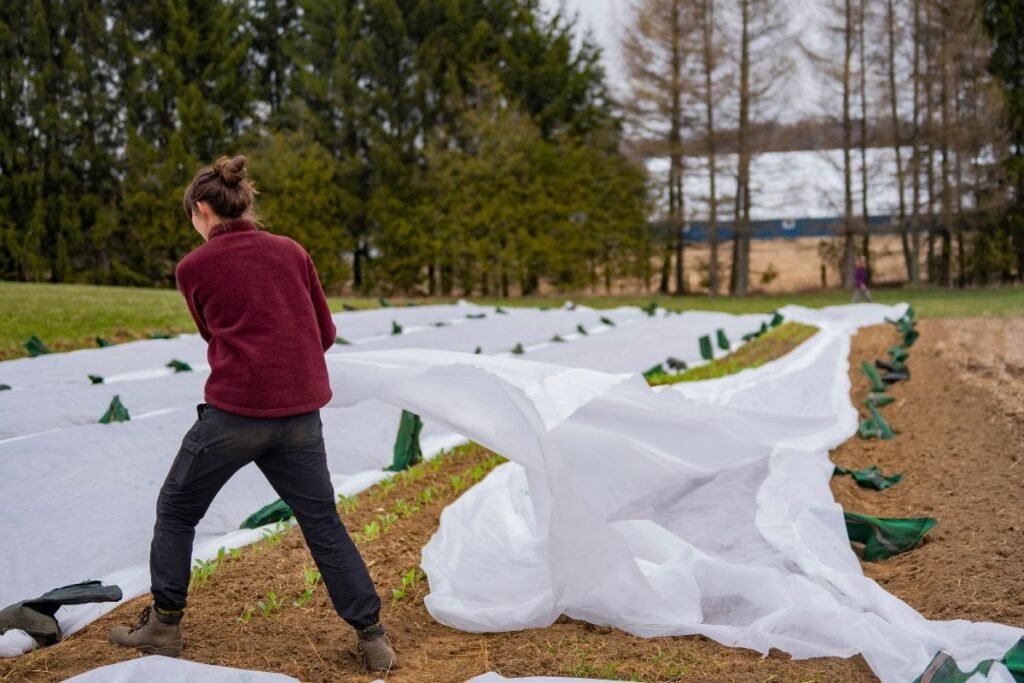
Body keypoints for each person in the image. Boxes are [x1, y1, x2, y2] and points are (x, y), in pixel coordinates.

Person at [108, 155, 397, 672]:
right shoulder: (291, 252)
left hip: (234, 418)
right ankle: (372, 637)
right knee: (323, 524)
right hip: (301, 420)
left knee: (176, 510)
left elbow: (210, 332)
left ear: (201, 209)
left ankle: (165, 625)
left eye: (191, 219)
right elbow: (325, 333)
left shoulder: (193, 268)